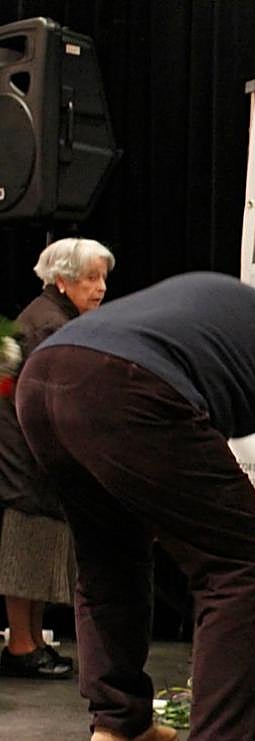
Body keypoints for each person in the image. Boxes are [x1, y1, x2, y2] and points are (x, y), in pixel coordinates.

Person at [15, 272, 255, 741]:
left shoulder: (241, 323)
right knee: (249, 556)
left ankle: (119, 722)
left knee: (112, 552)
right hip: (122, 382)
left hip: (43, 379)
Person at [0, 238, 113, 680]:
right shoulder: (50, 325)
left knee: (37, 548)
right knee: (28, 546)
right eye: (91, 278)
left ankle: (23, 643)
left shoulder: (49, 315)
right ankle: (22, 646)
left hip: (26, 449)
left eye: (103, 277)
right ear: (62, 281)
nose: (101, 288)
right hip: (25, 454)